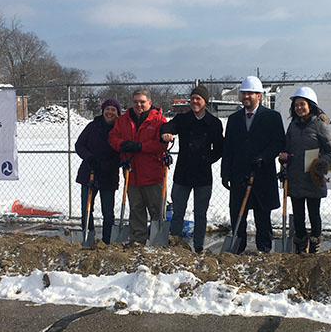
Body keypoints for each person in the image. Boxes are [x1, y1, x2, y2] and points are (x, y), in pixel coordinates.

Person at [221, 76, 285, 253]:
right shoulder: (234, 119)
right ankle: (237, 247)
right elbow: (228, 147)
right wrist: (225, 172)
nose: (246, 96)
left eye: (250, 93)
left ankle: (264, 249)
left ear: (259, 95)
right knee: (237, 214)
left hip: (262, 174)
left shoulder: (272, 117)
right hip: (239, 174)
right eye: (244, 93)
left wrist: (263, 157)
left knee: (262, 214)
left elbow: (278, 142)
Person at [160, 85, 224, 253]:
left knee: (200, 213)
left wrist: (207, 159)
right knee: (178, 210)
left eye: (199, 99)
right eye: (193, 98)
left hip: (203, 175)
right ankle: (175, 244)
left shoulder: (214, 123)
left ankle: (198, 246)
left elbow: (219, 148)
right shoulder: (182, 119)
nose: (195, 101)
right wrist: (167, 133)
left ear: (205, 101)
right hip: (183, 173)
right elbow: (167, 127)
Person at [278, 87, 331, 254]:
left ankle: (315, 243)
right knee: (298, 215)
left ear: (310, 105)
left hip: (313, 178)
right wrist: (284, 156)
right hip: (295, 178)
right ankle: (301, 244)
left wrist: (321, 163)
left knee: (313, 213)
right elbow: (287, 148)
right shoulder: (293, 126)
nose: (299, 108)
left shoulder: (319, 126)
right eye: (296, 105)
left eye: (302, 104)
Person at [109, 89, 167, 245]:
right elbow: (113, 137)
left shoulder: (159, 121)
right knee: (136, 210)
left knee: (156, 210)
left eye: (142, 102)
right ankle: (137, 240)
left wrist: (140, 146)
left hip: (153, 175)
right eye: (135, 102)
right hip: (132, 174)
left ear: (149, 102)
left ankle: (157, 243)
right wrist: (122, 145)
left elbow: (161, 144)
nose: (138, 105)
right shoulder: (123, 120)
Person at [75, 98, 122, 245]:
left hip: (109, 174)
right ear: (103, 110)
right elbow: (80, 145)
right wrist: (89, 158)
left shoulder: (120, 129)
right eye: (107, 109)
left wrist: (110, 164)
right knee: (87, 209)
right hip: (90, 173)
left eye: (113, 110)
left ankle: (107, 241)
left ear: (118, 113)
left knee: (108, 211)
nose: (110, 112)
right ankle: (88, 238)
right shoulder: (92, 126)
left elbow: (123, 152)